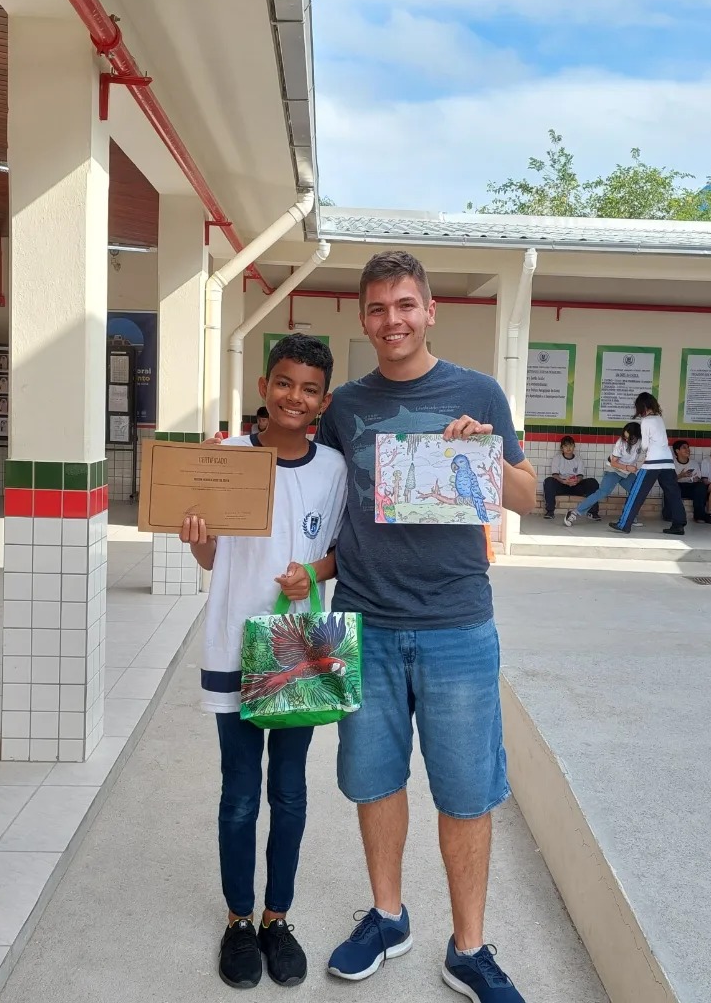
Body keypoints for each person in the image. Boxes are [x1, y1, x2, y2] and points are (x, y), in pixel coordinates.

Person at [313, 250, 538, 1003]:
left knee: (467, 793)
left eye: (405, 305)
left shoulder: (477, 391)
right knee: (373, 781)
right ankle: (387, 915)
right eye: (378, 308)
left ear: (430, 310)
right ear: (364, 317)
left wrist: (486, 457)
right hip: (363, 621)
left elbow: (529, 497)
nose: (392, 321)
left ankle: (469, 949)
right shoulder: (344, 405)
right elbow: (308, 486)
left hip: (456, 625)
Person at [182, 334, 348, 991]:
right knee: (240, 794)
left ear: (323, 401)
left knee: (290, 790)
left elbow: (339, 552)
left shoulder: (334, 469)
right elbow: (211, 559)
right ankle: (238, 921)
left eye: (309, 389)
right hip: (232, 641)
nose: (294, 397)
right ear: (263, 387)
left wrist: (311, 571)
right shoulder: (226, 460)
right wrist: (198, 540)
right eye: (284, 382)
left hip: (296, 645)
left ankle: (278, 918)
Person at [612, 392, 686, 535]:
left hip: (653, 462)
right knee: (673, 494)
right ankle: (679, 525)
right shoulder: (659, 418)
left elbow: (645, 445)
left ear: (642, 406)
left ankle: (624, 524)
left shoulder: (646, 421)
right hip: (667, 461)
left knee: (637, 492)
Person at [565, 422, 641, 527]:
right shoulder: (620, 443)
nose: (626, 440)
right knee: (602, 492)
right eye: (625, 437)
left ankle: (629, 517)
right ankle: (574, 513)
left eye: (630, 438)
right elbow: (614, 462)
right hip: (614, 469)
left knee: (637, 491)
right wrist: (628, 467)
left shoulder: (642, 441)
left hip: (628, 472)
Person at [542, 435, 600, 520]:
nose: (568, 448)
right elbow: (555, 475)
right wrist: (563, 481)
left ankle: (593, 513)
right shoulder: (557, 458)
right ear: (562, 448)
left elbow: (580, 475)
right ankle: (550, 512)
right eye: (566, 446)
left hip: (575, 485)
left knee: (592, 482)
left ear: (574, 447)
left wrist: (577, 480)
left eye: (571, 446)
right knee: (549, 481)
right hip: (562, 484)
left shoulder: (578, 459)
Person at [670, 440, 711, 524]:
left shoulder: (694, 463)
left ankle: (699, 516)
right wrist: (681, 476)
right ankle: (669, 515)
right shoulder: (672, 464)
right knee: (671, 487)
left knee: (701, 486)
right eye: (684, 448)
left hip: (690, 486)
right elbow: (669, 480)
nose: (688, 450)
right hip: (678, 487)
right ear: (677, 451)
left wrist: (693, 479)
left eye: (688, 448)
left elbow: (698, 478)